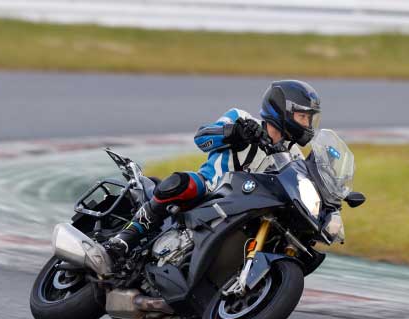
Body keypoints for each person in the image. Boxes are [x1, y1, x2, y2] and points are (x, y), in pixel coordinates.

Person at [105, 80, 322, 261]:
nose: (307, 123)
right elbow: (202, 138)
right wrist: (234, 133)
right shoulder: (241, 119)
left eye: (309, 118)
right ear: (282, 110)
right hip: (211, 189)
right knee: (182, 183)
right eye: (302, 116)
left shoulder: (293, 156)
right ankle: (126, 237)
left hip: (249, 208)